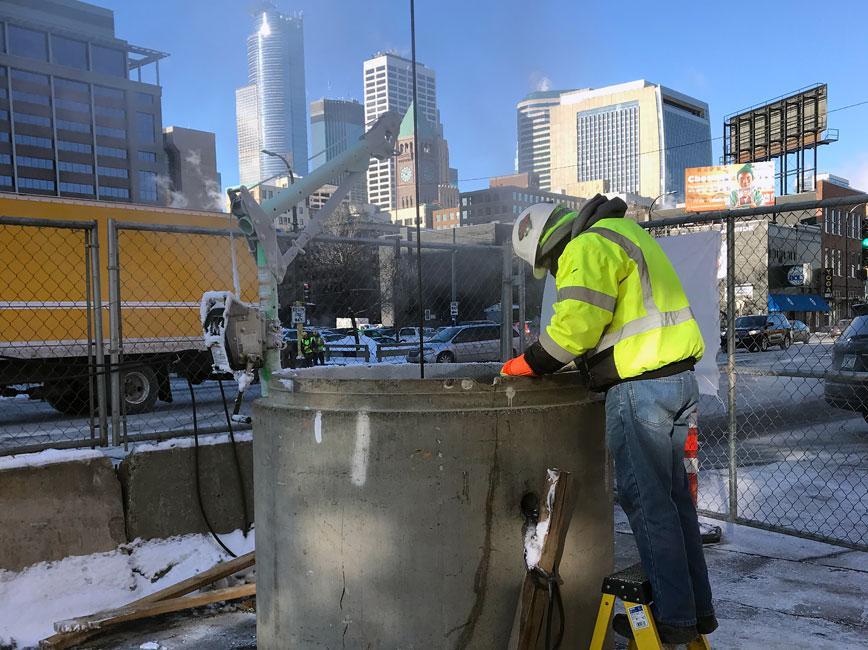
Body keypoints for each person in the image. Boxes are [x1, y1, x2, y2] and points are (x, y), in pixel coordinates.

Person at [502, 194, 717, 644]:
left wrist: (530, 363)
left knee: (648, 502)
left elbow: (574, 329)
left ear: (549, 248)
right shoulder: (625, 232)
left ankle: (674, 618)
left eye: (551, 267)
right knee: (675, 503)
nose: (557, 275)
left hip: (640, 387)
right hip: (676, 381)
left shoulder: (585, 247)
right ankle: (696, 609)